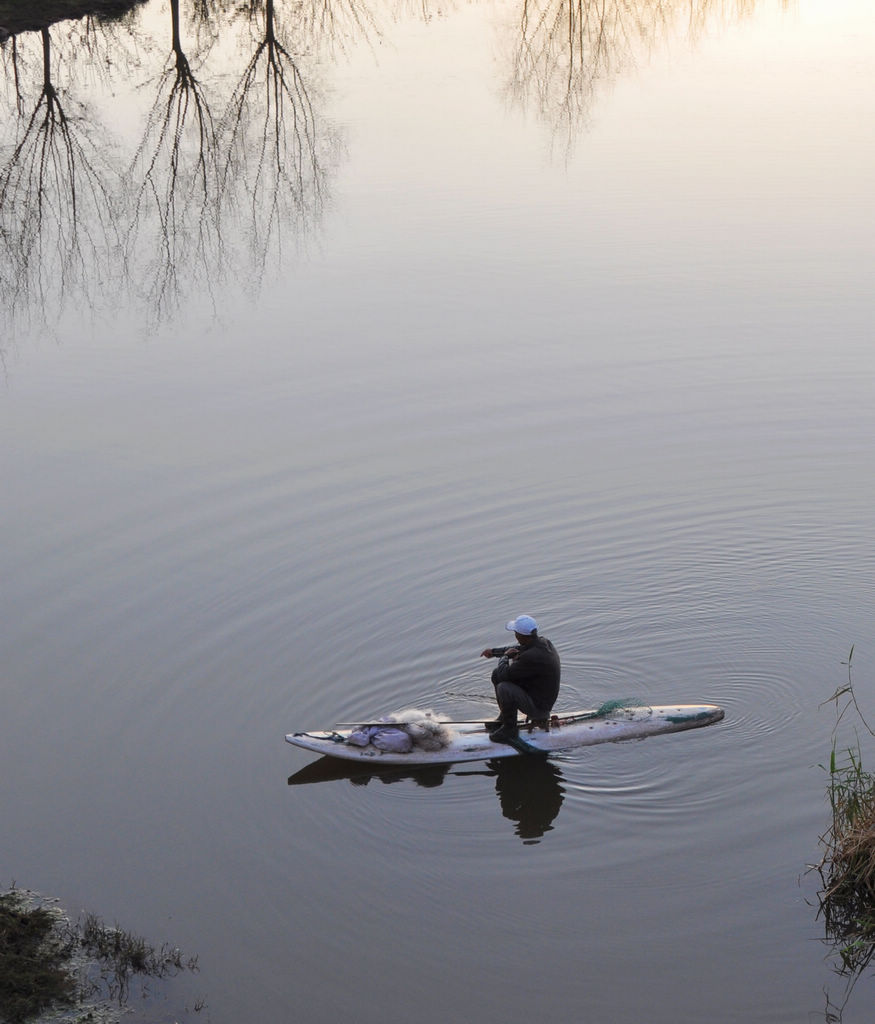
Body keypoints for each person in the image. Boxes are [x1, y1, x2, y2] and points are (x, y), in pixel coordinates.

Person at [480, 614, 560, 744]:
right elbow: (517, 649)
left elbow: (503, 674)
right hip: (539, 697)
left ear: (521, 636)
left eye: (516, 633)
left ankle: (510, 730)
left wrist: (505, 657)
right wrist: (494, 652)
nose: (515, 635)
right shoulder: (543, 642)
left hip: (539, 708)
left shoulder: (530, 657)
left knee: (504, 687)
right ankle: (504, 719)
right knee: (497, 675)